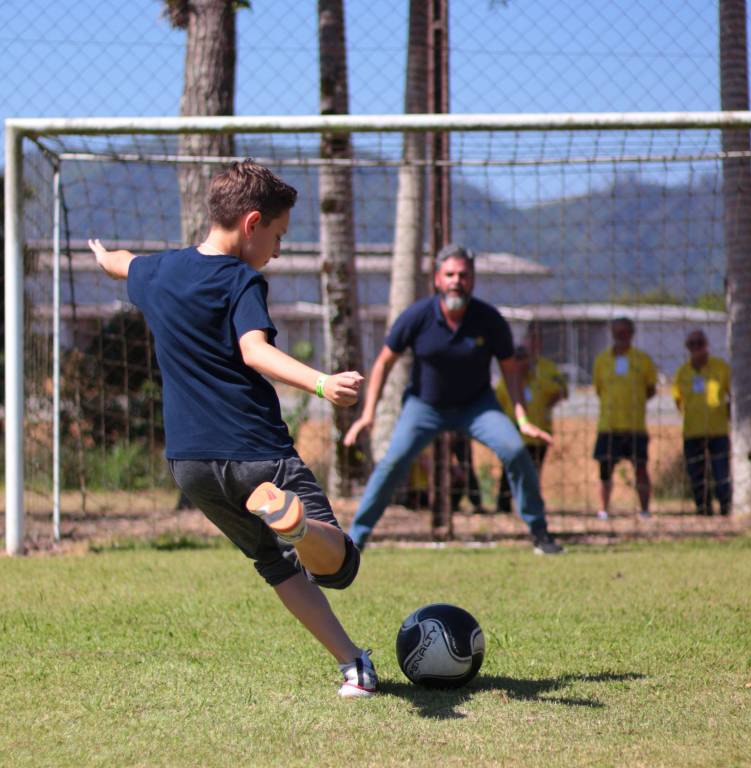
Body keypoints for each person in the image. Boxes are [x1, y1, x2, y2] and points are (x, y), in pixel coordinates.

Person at [87, 160, 377, 698]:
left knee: (273, 563)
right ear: (251, 223)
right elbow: (254, 350)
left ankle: (353, 665)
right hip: (255, 452)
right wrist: (321, 383)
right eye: (278, 235)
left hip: (191, 465)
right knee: (339, 566)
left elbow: (124, 264)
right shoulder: (241, 279)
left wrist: (104, 257)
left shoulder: (159, 271)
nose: (278, 250)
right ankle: (298, 527)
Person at [343, 244, 563, 555]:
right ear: (437, 279)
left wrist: (522, 418)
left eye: (463, 275)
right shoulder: (417, 316)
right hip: (424, 406)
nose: (456, 281)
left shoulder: (489, 319)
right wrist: (368, 414)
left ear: (472, 280)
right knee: (393, 462)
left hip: (478, 407)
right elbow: (383, 364)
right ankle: (355, 539)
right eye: (449, 274)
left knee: (515, 450)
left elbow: (510, 370)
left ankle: (540, 534)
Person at [495, 322, 568, 512]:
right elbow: (498, 403)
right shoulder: (507, 381)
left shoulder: (545, 371)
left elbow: (561, 390)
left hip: (538, 431)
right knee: (510, 470)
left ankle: (530, 506)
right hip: (513, 434)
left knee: (533, 472)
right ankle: (503, 505)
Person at [592, 317, 657, 519]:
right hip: (608, 426)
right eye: (617, 332)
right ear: (612, 333)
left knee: (641, 468)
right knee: (604, 470)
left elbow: (651, 389)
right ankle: (603, 510)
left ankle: (644, 510)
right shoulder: (601, 360)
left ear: (632, 334)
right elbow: (598, 389)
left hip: (635, 426)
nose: (621, 335)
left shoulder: (643, 359)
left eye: (624, 332)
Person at [671, 330, 731, 516]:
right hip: (692, 431)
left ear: (706, 344)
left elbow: (733, 395)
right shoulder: (682, 372)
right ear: (687, 347)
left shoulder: (721, 368)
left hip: (718, 430)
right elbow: (678, 400)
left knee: (721, 473)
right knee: (696, 474)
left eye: (699, 343)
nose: (696, 347)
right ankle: (703, 509)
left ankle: (726, 508)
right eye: (692, 344)